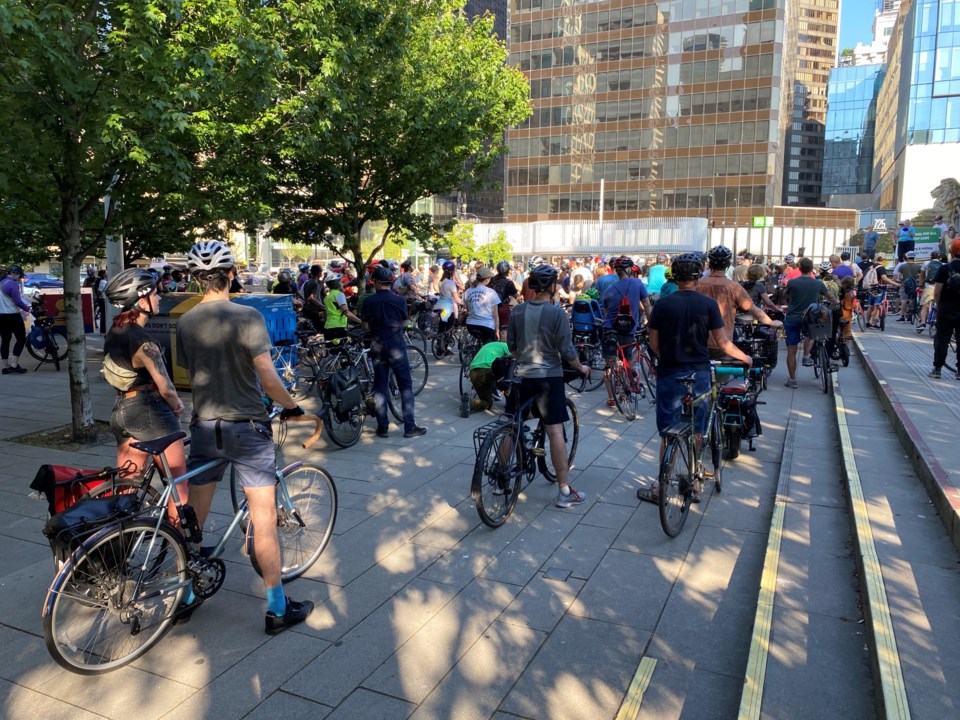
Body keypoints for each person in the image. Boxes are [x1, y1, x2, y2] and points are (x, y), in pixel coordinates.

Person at [175, 239, 313, 633]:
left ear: (196, 279)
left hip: (204, 427)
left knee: (195, 522)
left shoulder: (186, 322)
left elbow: (190, 373)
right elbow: (268, 377)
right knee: (264, 522)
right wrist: (291, 406)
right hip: (248, 429)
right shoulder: (247, 316)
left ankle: (186, 595)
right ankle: (277, 609)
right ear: (231, 274)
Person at [636, 253, 752, 504]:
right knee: (697, 428)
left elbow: (654, 344)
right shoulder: (707, 304)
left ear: (675, 277)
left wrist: (668, 356)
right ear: (698, 276)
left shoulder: (663, 304)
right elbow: (722, 342)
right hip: (698, 372)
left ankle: (661, 485)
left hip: (669, 372)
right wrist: (745, 358)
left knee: (669, 431)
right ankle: (695, 480)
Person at [102, 268, 187, 518]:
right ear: (142, 301)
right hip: (152, 412)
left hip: (122, 412)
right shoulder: (145, 341)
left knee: (127, 486)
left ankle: (120, 540)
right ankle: (178, 540)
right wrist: (177, 405)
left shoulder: (114, 332)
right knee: (178, 482)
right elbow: (166, 388)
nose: (160, 297)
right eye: (155, 293)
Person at [507, 264, 591, 508]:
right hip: (548, 377)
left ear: (532, 286)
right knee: (554, 431)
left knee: (510, 425)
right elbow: (566, 350)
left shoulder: (517, 311)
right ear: (553, 287)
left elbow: (511, 344)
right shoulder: (557, 314)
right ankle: (564, 490)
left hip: (521, 374)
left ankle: (501, 476)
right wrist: (580, 367)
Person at [360, 266, 427, 438]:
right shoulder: (400, 301)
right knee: (405, 386)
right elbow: (405, 322)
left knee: (380, 388)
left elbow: (366, 325)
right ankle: (409, 427)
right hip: (397, 347)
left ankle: (382, 427)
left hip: (377, 347)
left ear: (374, 282)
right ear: (390, 282)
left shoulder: (369, 301)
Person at [696, 246, 780, 358]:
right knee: (724, 372)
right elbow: (754, 310)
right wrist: (773, 323)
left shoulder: (697, 284)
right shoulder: (733, 287)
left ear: (709, 264)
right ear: (727, 265)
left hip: (697, 341)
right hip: (723, 343)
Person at [600, 255, 651, 407]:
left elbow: (606, 312)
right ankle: (629, 384)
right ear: (629, 269)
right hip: (627, 330)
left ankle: (611, 399)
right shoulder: (637, 283)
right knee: (629, 358)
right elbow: (647, 305)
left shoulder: (609, 290)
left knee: (609, 365)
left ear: (616, 271)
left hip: (609, 329)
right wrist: (651, 324)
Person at [782, 257, 838, 388]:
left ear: (799, 268)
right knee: (812, 333)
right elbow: (830, 296)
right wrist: (837, 303)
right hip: (811, 316)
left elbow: (786, 295)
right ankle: (806, 355)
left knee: (791, 351)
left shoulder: (792, 282)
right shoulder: (818, 283)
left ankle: (792, 380)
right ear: (811, 269)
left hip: (793, 318)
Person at [929, 238, 960, 378]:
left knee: (942, 339)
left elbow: (937, 292)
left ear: (951, 251)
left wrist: (939, 305)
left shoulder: (944, 268)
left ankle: (937, 369)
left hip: (946, 309)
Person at [460, 341, 512, 416]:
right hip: (487, 370)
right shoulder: (507, 347)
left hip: (473, 373)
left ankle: (470, 403)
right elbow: (512, 363)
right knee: (505, 379)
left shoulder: (490, 345)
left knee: (487, 401)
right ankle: (511, 404)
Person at [0, 265, 32, 374]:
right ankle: (14, 365)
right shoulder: (12, 284)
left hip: (1, 316)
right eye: (19, 276)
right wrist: (29, 309)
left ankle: (5, 367)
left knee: (5, 340)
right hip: (13, 315)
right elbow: (18, 302)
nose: (19, 279)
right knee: (21, 339)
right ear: (15, 273)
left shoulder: (1, 283)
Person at [464, 267, 501, 345]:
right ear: (487, 279)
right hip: (486, 325)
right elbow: (495, 314)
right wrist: (497, 330)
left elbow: (467, 308)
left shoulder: (468, 291)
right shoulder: (491, 292)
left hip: (471, 325)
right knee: (489, 348)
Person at [863, 254, 899, 328]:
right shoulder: (881, 268)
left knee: (871, 306)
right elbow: (884, 278)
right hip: (879, 288)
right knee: (877, 306)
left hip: (870, 287)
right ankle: (873, 323)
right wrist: (895, 283)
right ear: (883, 260)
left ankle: (867, 322)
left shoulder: (871, 266)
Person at [322, 272, 361, 342]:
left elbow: (326, 314)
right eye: (341, 282)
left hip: (328, 327)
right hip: (337, 327)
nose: (342, 283)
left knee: (331, 351)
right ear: (337, 284)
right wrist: (360, 321)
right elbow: (347, 313)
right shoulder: (339, 294)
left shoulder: (327, 297)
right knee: (340, 350)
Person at [489, 260, 519, 341]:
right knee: (504, 328)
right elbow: (516, 295)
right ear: (507, 270)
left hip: (489, 306)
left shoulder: (491, 280)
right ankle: (502, 348)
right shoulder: (509, 282)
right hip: (502, 307)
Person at [917, 251, 944, 330]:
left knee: (925, 305)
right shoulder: (943, 265)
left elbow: (922, 275)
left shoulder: (926, 263)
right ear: (940, 258)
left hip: (929, 286)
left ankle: (922, 323)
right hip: (940, 287)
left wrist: (920, 284)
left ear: (931, 257)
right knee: (939, 305)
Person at [894, 251, 921, 322]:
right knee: (912, 299)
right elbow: (921, 275)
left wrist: (901, 281)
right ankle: (910, 314)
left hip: (904, 284)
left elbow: (899, 277)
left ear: (906, 257)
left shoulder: (902, 266)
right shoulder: (918, 266)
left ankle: (902, 316)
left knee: (904, 300)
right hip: (914, 284)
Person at [300, 264, 325, 332]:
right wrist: (322, 306)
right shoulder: (314, 283)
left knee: (311, 329)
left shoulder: (308, 282)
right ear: (319, 273)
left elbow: (318, 289)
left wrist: (324, 279)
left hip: (307, 309)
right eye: (321, 272)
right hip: (314, 310)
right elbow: (312, 298)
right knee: (319, 330)